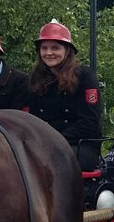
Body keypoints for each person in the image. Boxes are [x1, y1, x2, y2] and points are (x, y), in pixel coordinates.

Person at [27, 19, 102, 171]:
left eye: (55, 48)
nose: (49, 53)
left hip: (80, 145)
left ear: (67, 50)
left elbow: (89, 121)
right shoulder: (36, 77)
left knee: (47, 162)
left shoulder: (85, 76)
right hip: (44, 143)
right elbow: (33, 117)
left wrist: (56, 139)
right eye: (44, 48)